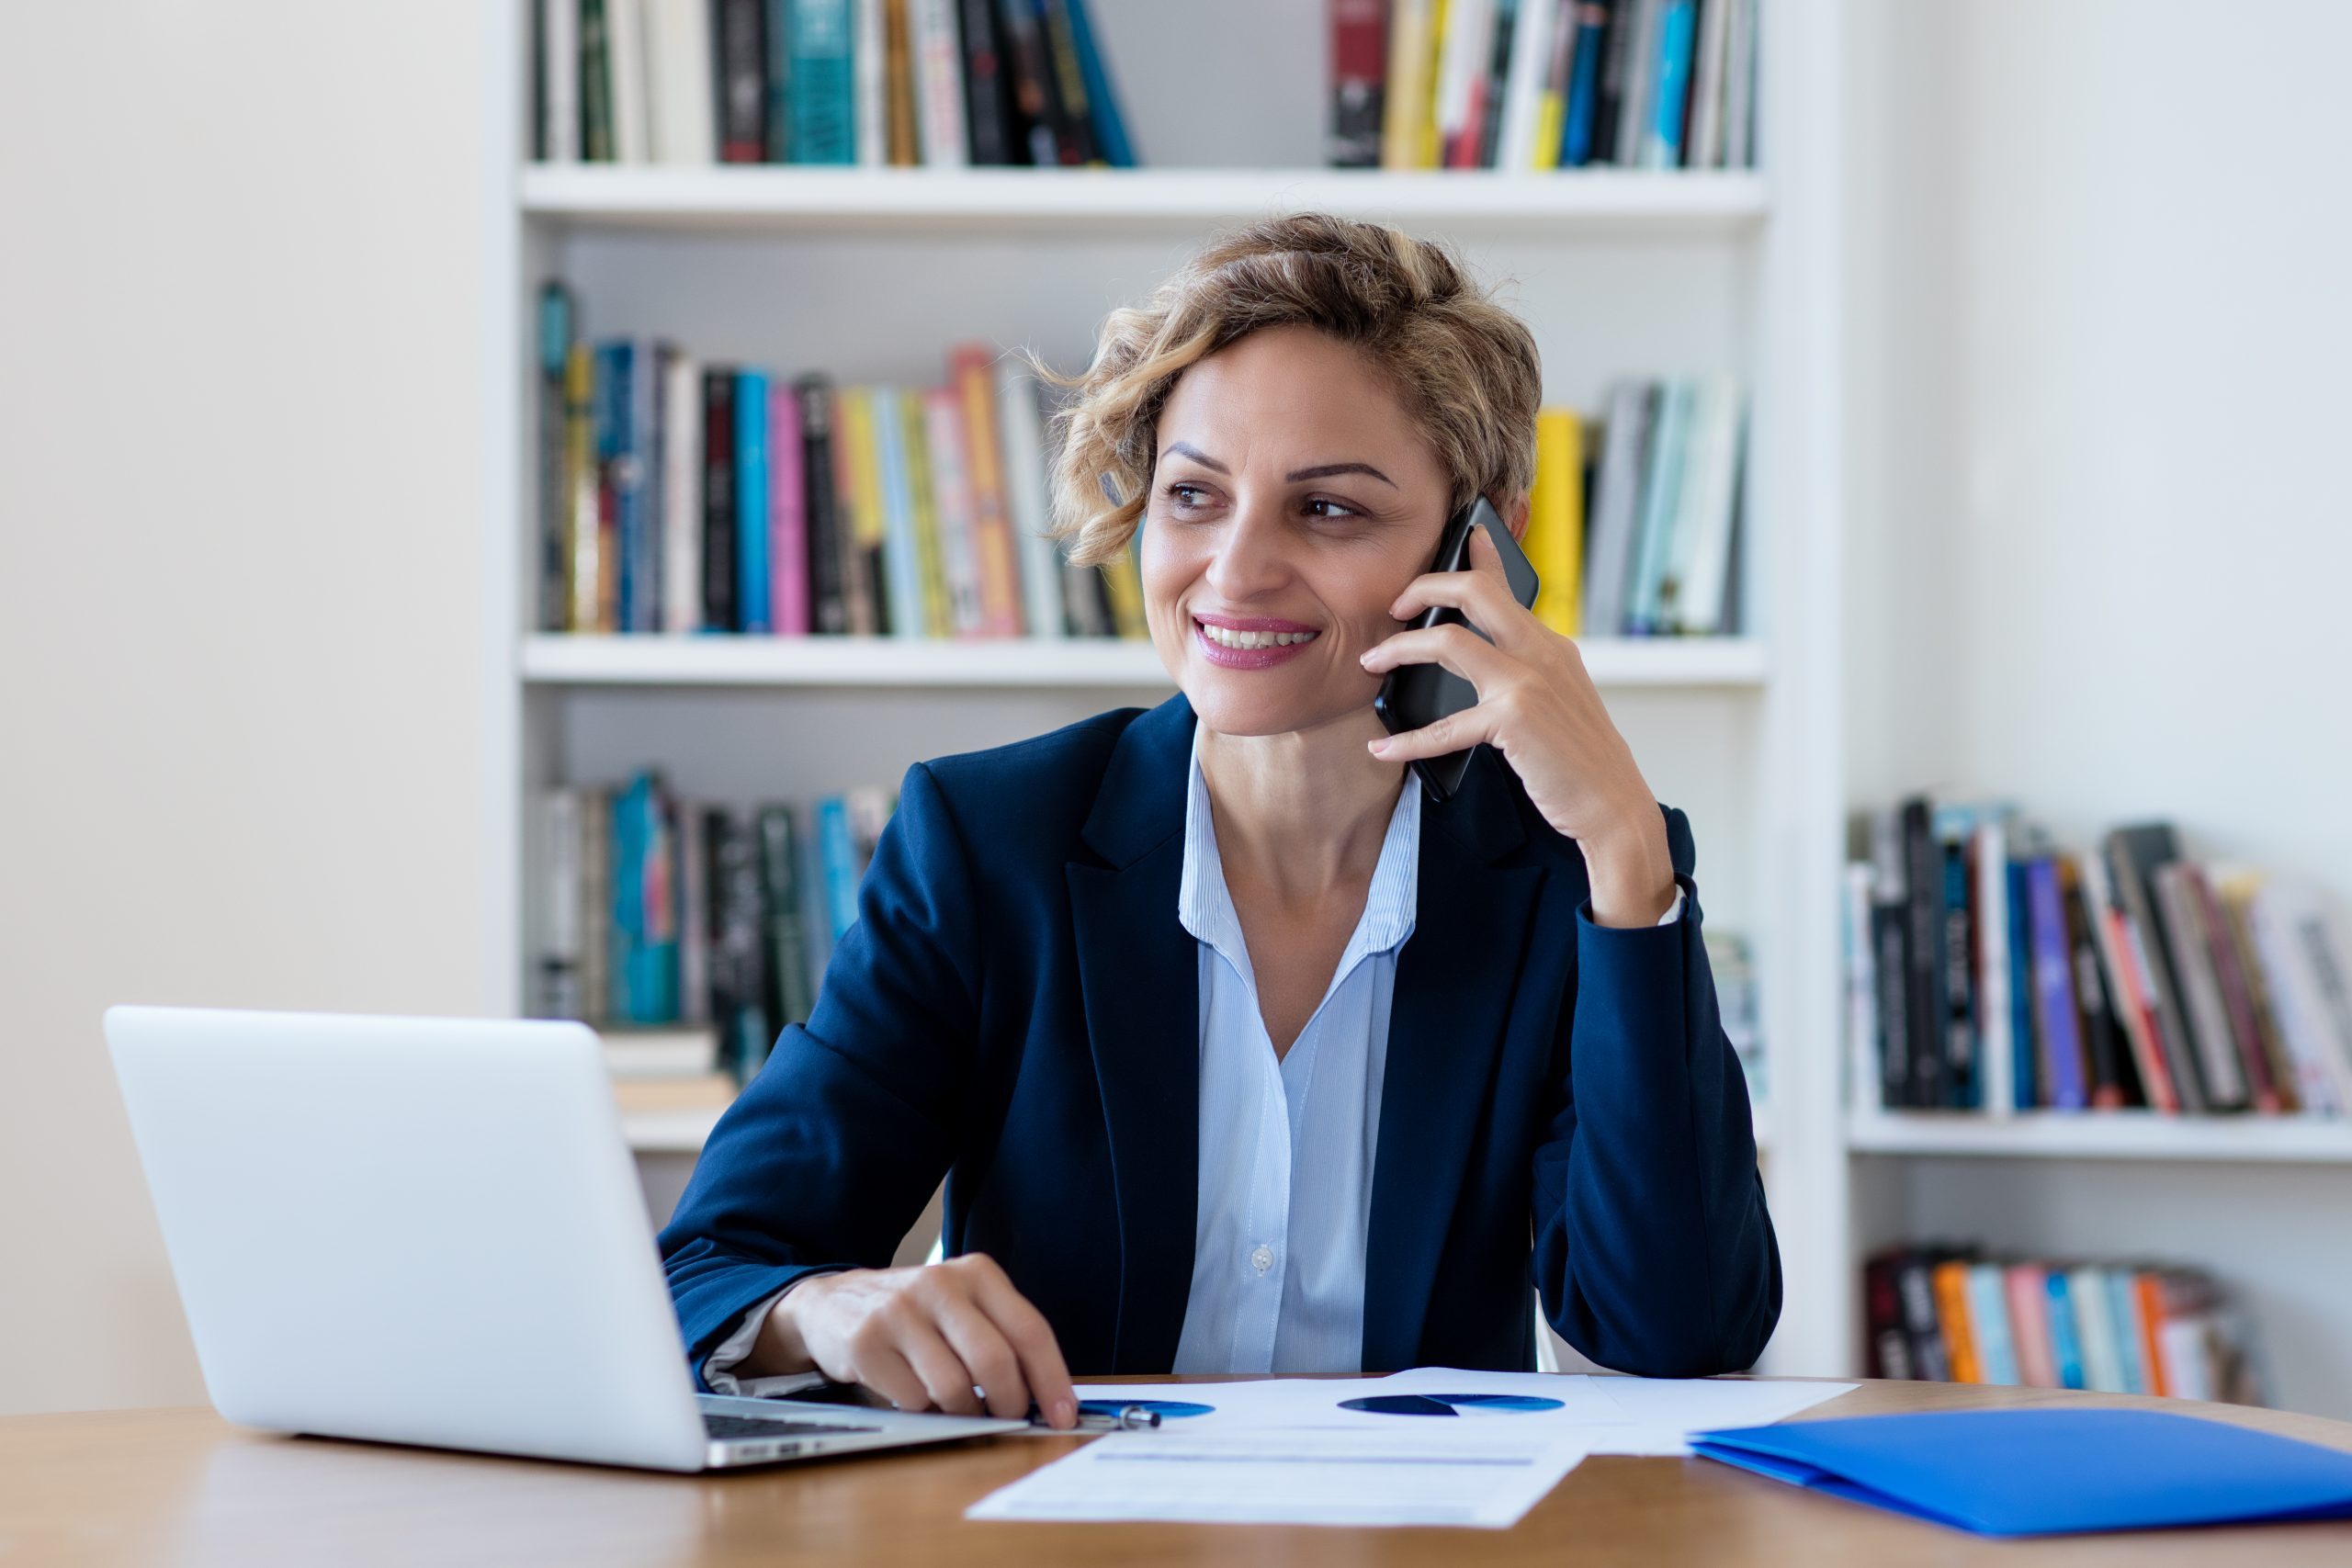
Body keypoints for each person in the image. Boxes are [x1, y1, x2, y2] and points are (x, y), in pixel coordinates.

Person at [659, 213, 1779, 1430]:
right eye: (1194, 495)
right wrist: (819, 1310)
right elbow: (704, 1270)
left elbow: (1680, 1332)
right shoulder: (987, 847)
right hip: (1068, 1516)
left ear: (1483, 542)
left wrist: (1625, 848)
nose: (1235, 571)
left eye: (1328, 509)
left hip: (1422, 1523)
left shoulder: (1565, 875)